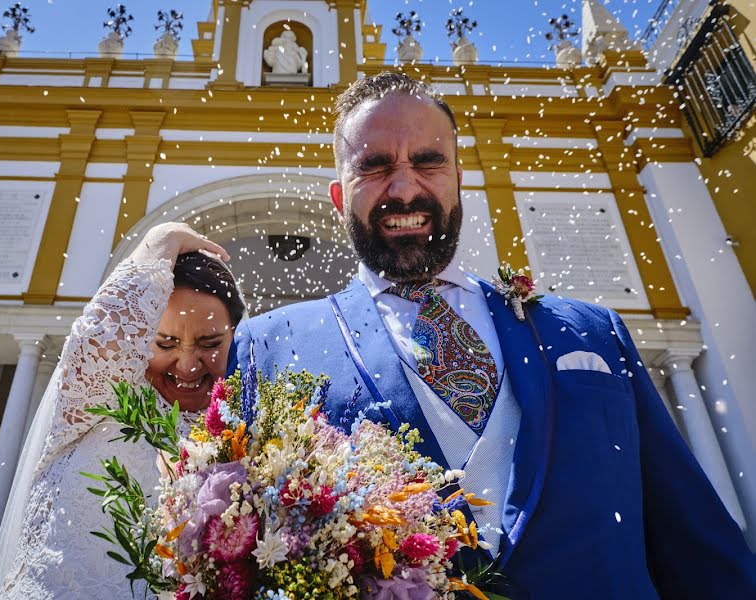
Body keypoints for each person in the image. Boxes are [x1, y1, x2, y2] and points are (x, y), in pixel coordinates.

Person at [232, 72, 756, 598]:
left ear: (459, 176)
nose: (405, 186)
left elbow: (697, 545)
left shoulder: (592, 334)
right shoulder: (268, 348)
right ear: (338, 194)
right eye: (374, 165)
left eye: (428, 161)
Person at [0, 223, 245, 599]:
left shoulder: (242, 425)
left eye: (210, 343)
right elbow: (98, 341)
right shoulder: (101, 393)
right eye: (166, 343)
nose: (188, 366)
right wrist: (159, 243)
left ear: (235, 334)